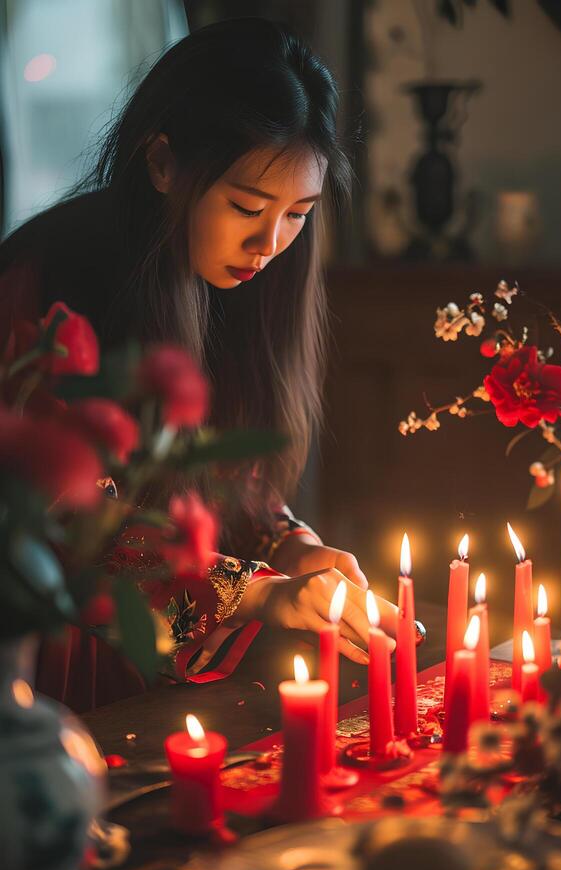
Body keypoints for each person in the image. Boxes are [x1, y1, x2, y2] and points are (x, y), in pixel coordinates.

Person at [0, 18, 414, 711]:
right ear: (162, 163)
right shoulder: (51, 282)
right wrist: (256, 592)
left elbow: (224, 469)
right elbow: (67, 511)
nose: (269, 243)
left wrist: (293, 548)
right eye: (248, 206)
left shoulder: (237, 276)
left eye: (298, 214)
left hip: (147, 662)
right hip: (40, 648)